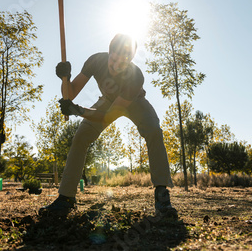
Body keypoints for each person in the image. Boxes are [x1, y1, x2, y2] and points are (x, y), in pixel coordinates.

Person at [39, 33, 176, 218]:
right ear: (109, 52)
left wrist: (79, 111)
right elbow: (69, 93)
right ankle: (66, 199)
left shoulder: (136, 77)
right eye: (114, 60)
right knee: (81, 137)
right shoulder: (96, 61)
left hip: (135, 102)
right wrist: (65, 77)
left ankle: (161, 195)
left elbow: (109, 115)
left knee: (154, 131)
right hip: (107, 101)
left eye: (124, 62)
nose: (117, 66)